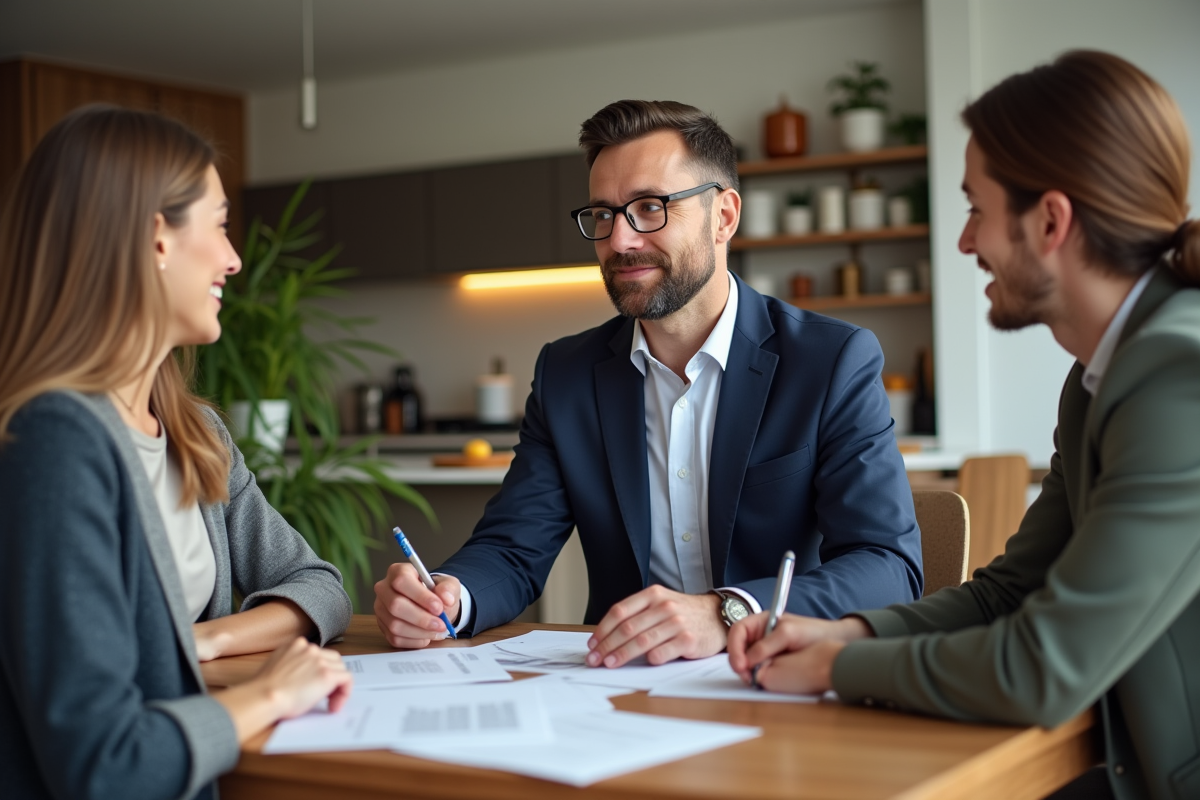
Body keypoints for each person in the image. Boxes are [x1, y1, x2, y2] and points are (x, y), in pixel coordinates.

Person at [727, 50, 1200, 800]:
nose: (964, 242)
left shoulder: (1176, 376)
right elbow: (1009, 593)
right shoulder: (1099, 377)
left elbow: (1045, 668)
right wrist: (851, 632)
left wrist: (837, 668)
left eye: (977, 209)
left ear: (1051, 221)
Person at [375, 99, 922, 669]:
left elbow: (887, 566)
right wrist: (447, 596)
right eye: (603, 214)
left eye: (649, 208)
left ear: (723, 216)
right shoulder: (567, 374)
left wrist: (726, 611)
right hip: (617, 684)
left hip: (774, 677)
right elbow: (513, 548)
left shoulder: (830, 361)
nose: (619, 240)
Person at [0, 106, 355, 800]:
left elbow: (319, 584)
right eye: (219, 225)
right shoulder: (54, 443)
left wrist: (206, 639)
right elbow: (105, 766)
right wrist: (271, 694)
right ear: (155, 237)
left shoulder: (197, 434)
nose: (234, 258)